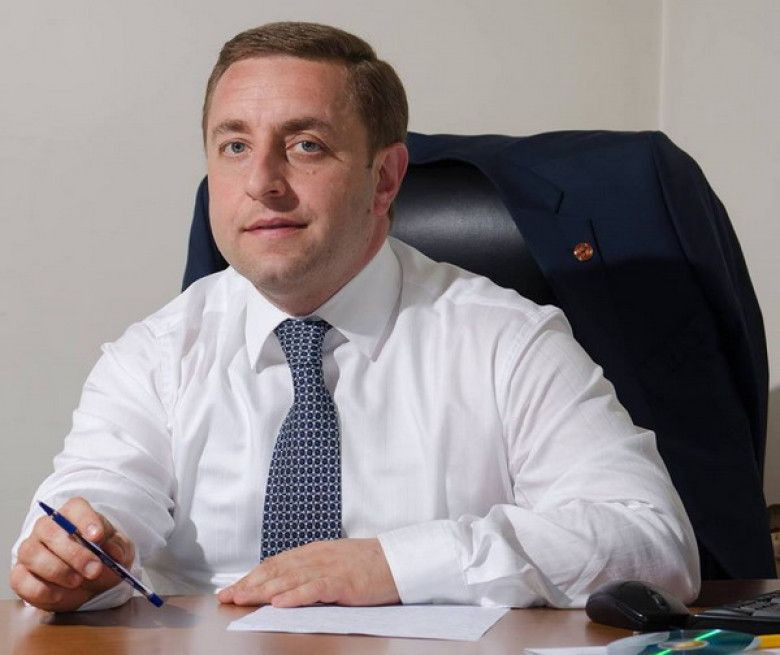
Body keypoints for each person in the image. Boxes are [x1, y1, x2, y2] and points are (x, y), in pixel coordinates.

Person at [10, 21, 699, 613]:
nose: (262, 183)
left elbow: (653, 543)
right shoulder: (155, 356)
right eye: (235, 146)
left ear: (385, 178)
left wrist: (398, 565)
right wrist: (76, 561)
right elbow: (97, 500)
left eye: (305, 144)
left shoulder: (507, 342)